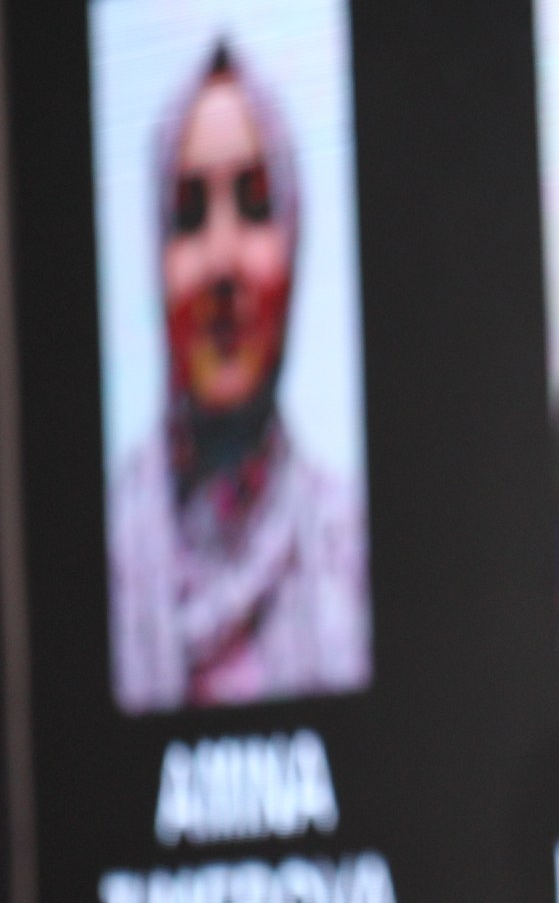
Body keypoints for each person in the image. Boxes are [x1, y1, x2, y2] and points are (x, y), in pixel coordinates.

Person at [108, 41, 370, 715]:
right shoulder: (96, 560)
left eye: (254, 205)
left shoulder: (354, 552)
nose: (222, 263)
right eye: (188, 214)